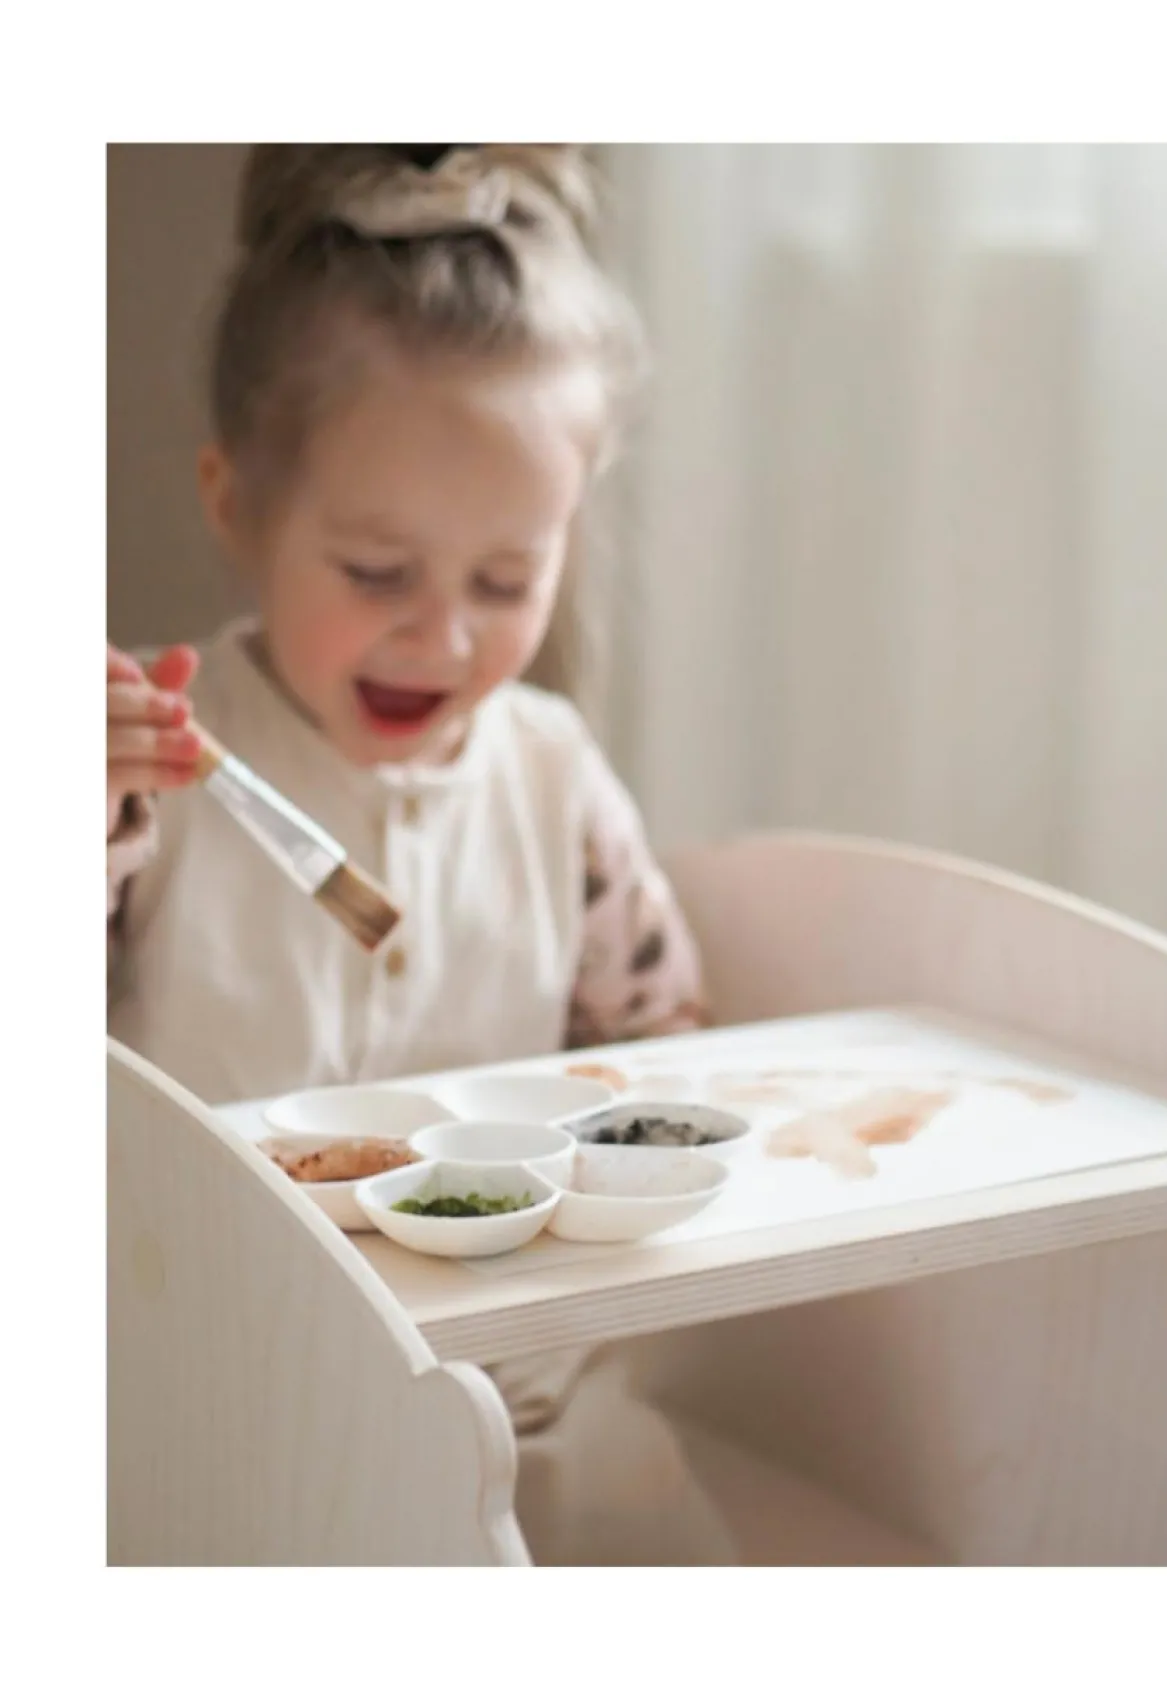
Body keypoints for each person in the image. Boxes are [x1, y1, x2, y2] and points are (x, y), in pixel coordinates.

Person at [106, 143, 736, 1567]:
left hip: (512, 1410)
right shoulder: (147, 770)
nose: (442, 636)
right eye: (377, 573)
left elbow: (665, 1056)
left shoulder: (555, 777)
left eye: (507, 580)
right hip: (193, 1395)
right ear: (235, 502)